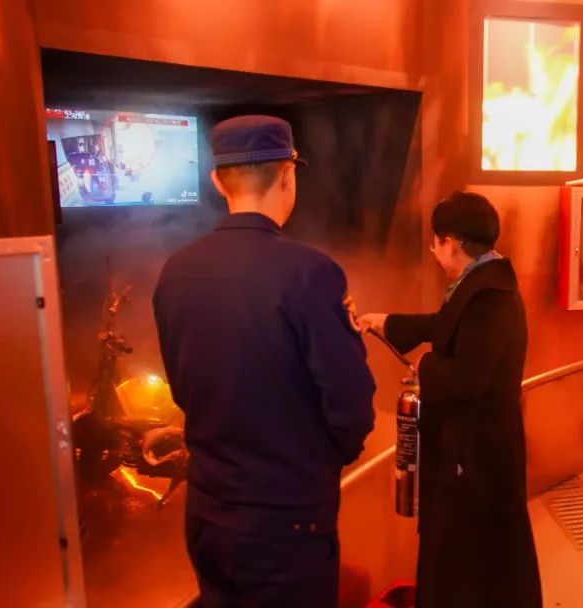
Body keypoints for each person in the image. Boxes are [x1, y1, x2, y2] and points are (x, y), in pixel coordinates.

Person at [152, 115, 376, 607]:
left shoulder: (176, 271)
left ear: (217, 181)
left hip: (207, 511)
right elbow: (351, 403)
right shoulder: (309, 273)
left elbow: (182, 389)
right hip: (286, 520)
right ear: (288, 175)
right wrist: (320, 462)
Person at [358, 191, 541, 608]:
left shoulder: (489, 298)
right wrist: (385, 322)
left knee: (467, 550)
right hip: (477, 443)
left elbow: (469, 378)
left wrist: (424, 366)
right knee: (472, 546)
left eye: (436, 241)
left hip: (477, 451)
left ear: (452, 242)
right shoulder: (483, 283)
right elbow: (445, 324)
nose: (433, 250)